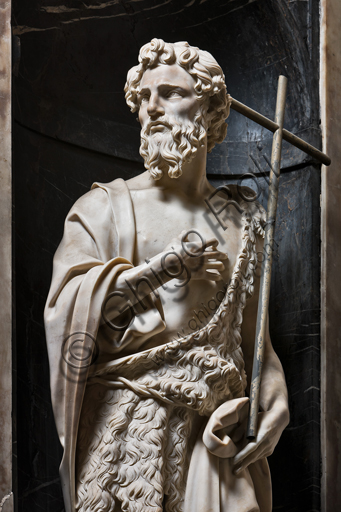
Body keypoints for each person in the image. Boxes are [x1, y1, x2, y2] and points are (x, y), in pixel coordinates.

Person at [45, 39, 289, 512]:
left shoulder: (240, 218)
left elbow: (254, 342)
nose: (151, 108)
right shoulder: (102, 211)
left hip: (217, 435)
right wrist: (167, 267)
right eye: (143, 98)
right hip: (128, 434)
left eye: (171, 93)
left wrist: (276, 399)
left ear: (212, 109)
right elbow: (74, 319)